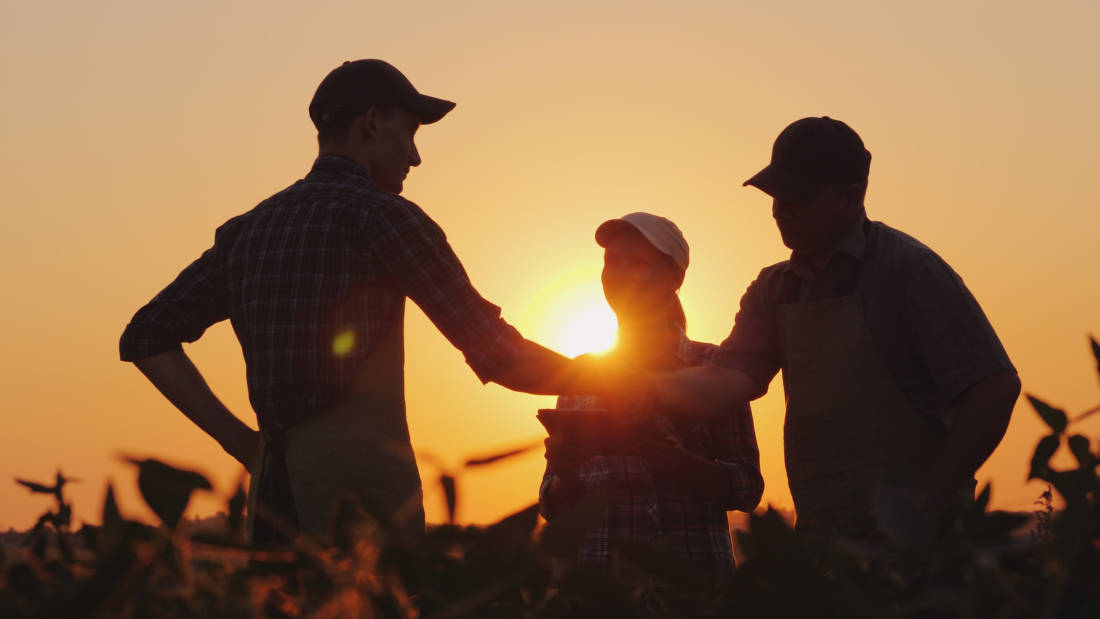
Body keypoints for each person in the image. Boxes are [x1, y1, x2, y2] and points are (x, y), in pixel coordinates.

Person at [119, 59, 573, 543]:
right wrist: (618, 382)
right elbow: (498, 354)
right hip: (365, 514)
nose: (415, 156)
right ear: (372, 122)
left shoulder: (247, 232)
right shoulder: (384, 218)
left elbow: (147, 336)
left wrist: (245, 446)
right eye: (410, 131)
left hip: (273, 507)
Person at [628, 117, 1021, 539]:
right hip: (825, 542)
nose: (781, 210)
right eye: (775, 195)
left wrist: (929, 498)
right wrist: (633, 385)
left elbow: (994, 389)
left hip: (922, 550)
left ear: (852, 197)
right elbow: (726, 380)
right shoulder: (774, 290)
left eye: (798, 197)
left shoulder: (908, 272)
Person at [539, 213, 763, 570]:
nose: (621, 273)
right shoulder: (579, 373)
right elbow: (552, 503)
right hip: (600, 588)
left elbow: (749, 487)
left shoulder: (714, 367)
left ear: (675, 277)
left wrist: (680, 463)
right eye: (612, 261)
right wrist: (566, 473)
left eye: (638, 262)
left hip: (691, 586)